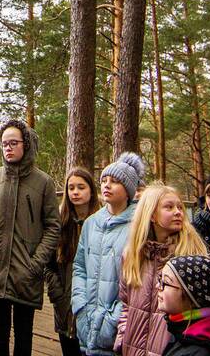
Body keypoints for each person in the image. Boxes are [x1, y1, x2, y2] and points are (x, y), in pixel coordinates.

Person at [0, 119, 60, 356]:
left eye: (13, 143)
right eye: (4, 144)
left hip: (26, 272)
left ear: (26, 144)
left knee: (24, 334)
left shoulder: (43, 182)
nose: (8, 148)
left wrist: (35, 264)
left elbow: (53, 226)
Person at [116, 183, 209, 356]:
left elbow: (201, 312)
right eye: (169, 207)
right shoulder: (133, 254)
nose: (178, 212)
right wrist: (122, 337)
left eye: (180, 207)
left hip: (171, 350)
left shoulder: (190, 257)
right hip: (133, 347)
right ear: (151, 215)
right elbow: (126, 304)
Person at [71, 152, 146, 356]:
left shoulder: (138, 226)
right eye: (104, 180)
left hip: (118, 326)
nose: (106, 185)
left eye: (114, 182)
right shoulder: (90, 223)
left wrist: (114, 316)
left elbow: (139, 278)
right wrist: (79, 304)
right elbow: (79, 267)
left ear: (128, 190)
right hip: (87, 318)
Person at [47, 168, 100, 356]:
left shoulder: (101, 223)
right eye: (71, 188)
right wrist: (58, 295)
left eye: (81, 187)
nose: (75, 192)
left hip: (94, 304)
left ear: (91, 191)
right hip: (64, 305)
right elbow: (49, 265)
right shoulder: (60, 223)